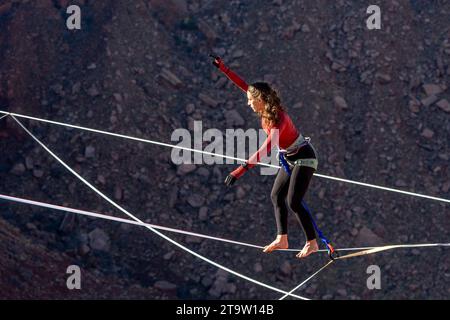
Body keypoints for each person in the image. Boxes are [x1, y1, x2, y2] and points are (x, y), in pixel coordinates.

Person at [212, 55, 320, 258]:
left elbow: (265, 150)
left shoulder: (278, 120)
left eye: (251, 100)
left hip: (304, 157)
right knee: (276, 195)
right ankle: (283, 238)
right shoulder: (265, 108)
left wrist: (239, 171)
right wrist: (223, 68)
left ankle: (312, 243)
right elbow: (244, 85)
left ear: (260, 100)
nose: (248, 103)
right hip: (290, 158)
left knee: (294, 201)